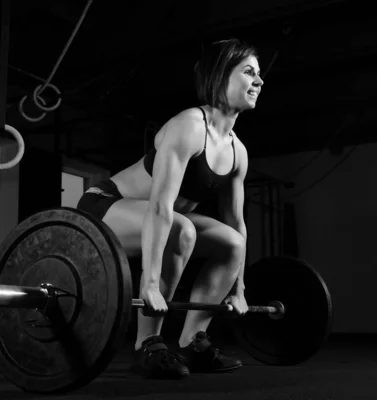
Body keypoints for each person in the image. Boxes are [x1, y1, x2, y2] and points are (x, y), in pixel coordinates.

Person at [76, 38, 263, 379]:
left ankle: (193, 342)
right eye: (249, 72)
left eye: (259, 75)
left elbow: (237, 222)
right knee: (182, 229)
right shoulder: (189, 126)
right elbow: (161, 208)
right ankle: (147, 343)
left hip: (165, 217)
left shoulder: (239, 152)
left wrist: (240, 288)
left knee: (233, 242)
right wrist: (148, 284)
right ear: (221, 76)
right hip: (104, 206)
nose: (259, 82)